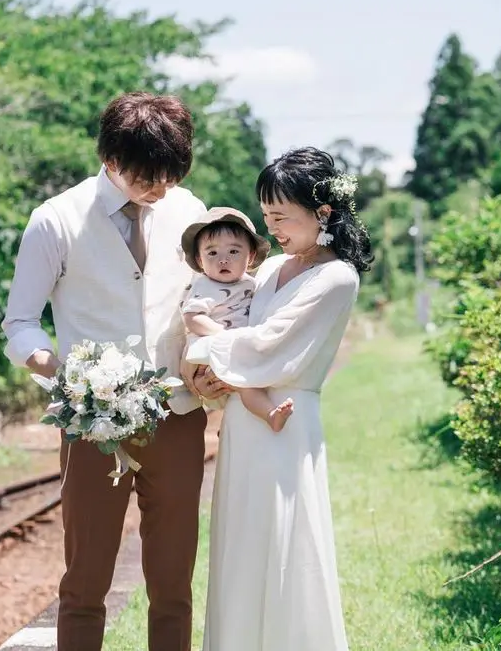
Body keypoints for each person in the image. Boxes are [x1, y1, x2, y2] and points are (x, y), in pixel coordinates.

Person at [1, 91, 219, 651]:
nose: (159, 191)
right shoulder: (55, 220)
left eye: (170, 177)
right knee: (85, 582)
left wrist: (209, 362)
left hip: (178, 416)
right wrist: (68, 378)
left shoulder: (190, 211)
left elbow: (209, 298)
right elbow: (20, 324)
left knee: (172, 583)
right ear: (111, 161)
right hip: (92, 426)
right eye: (148, 178)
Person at [184, 146, 372, 650]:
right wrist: (206, 369)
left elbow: (268, 346)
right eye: (267, 217)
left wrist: (202, 339)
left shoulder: (336, 277)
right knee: (243, 546)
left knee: (289, 545)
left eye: (281, 217)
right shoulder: (269, 270)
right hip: (246, 424)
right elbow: (235, 332)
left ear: (323, 213)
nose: (273, 230)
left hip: (286, 422)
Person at [177, 207, 294, 432]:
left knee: (245, 383)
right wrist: (224, 336)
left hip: (236, 346)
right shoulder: (204, 285)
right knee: (245, 382)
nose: (223, 260)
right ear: (200, 261)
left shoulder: (252, 284)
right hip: (209, 344)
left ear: (250, 257)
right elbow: (193, 318)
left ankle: (234, 422)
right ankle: (267, 414)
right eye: (212, 253)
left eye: (233, 252)